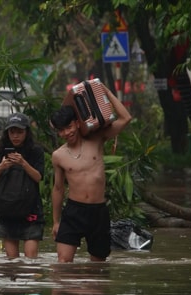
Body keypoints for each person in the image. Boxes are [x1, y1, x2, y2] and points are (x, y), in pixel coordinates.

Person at [50, 85, 132, 263]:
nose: (67, 133)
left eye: (69, 127)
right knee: (63, 263)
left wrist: (107, 92)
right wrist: (56, 221)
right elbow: (57, 189)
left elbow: (126, 118)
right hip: (73, 211)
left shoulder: (97, 139)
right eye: (61, 130)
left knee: (98, 265)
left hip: (98, 211)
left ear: (78, 123)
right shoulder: (58, 155)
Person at [0, 113, 45, 258]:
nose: (15, 136)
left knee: (30, 259)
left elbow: (38, 177)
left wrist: (23, 163)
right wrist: (2, 166)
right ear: (7, 133)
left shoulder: (36, 151)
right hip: (8, 211)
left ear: (26, 132)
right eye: (12, 132)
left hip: (30, 210)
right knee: (12, 261)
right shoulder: (3, 151)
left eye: (19, 132)